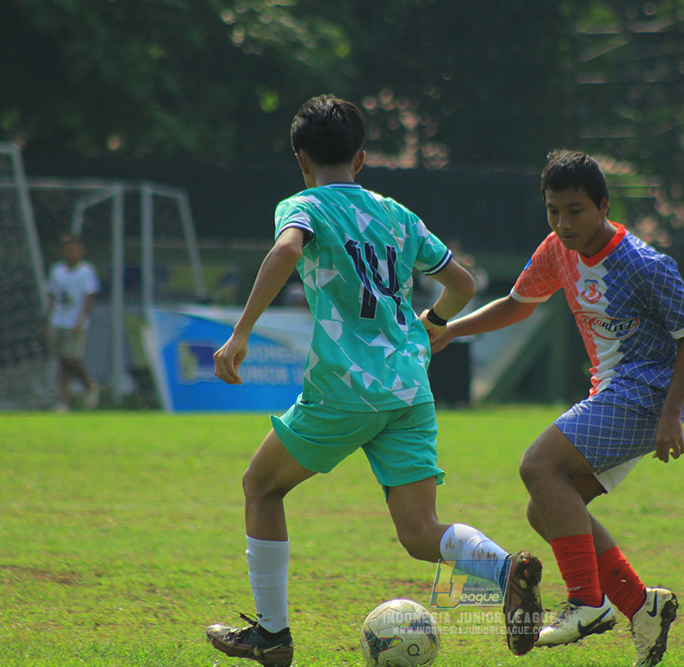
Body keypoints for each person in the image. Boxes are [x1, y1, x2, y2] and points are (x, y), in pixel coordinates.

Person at [204, 95, 543, 667]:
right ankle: (504, 568)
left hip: (344, 390)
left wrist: (241, 332)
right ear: (361, 160)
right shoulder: (397, 214)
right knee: (419, 531)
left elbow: (287, 248)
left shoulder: (304, 204)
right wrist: (434, 324)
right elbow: (462, 282)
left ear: (300, 159)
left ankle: (272, 635)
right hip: (409, 390)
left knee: (261, 488)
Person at [431, 150, 684, 667]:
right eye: (554, 210)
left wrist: (672, 414)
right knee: (548, 510)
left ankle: (586, 601)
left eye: (575, 210)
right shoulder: (558, 250)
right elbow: (518, 303)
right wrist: (450, 329)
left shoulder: (644, 264)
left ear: (603, 205)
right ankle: (639, 605)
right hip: (612, 396)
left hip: (646, 398)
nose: (563, 223)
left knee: (538, 465)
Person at [45, 233, 100, 412]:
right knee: (62, 362)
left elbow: (89, 298)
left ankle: (89, 385)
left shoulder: (86, 272)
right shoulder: (56, 271)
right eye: (68, 249)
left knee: (72, 358)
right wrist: (47, 322)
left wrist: (80, 320)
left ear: (81, 251)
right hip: (58, 321)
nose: (71, 253)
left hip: (76, 323)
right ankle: (65, 402)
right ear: (63, 251)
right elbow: (52, 298)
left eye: (75, 249)